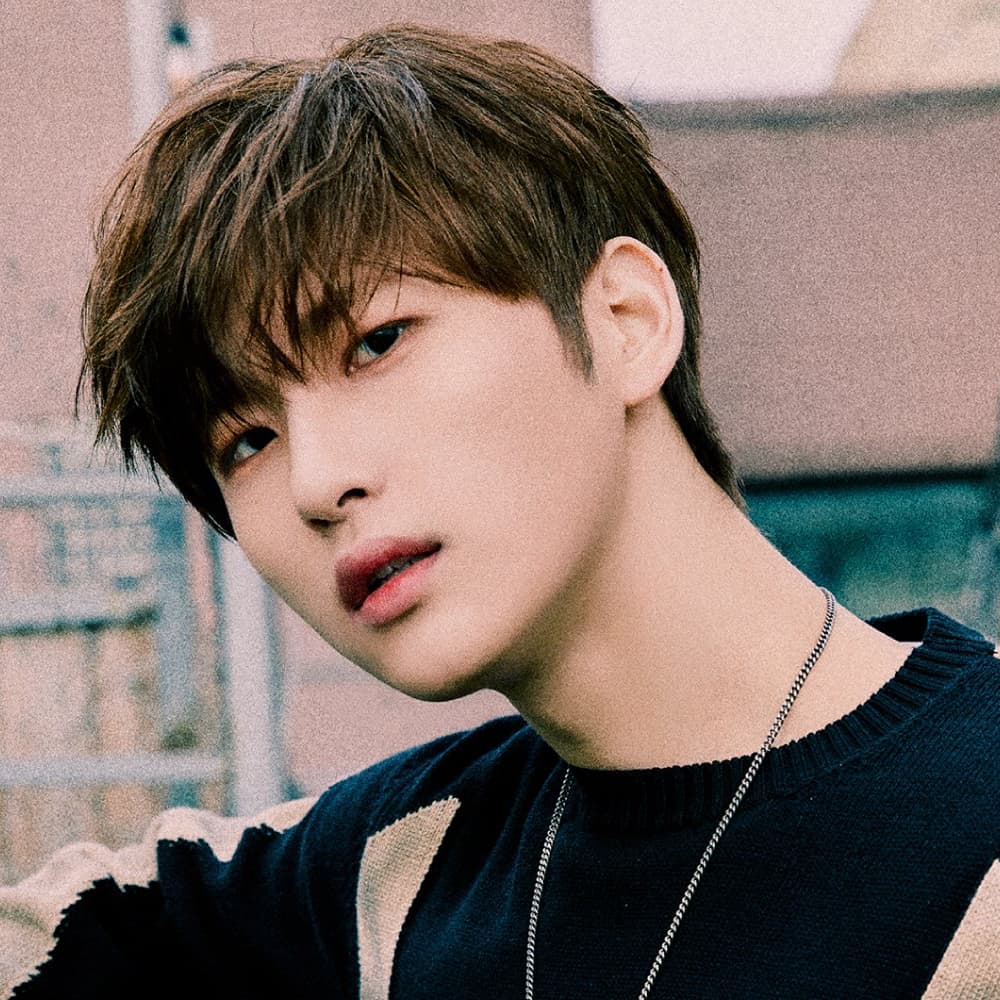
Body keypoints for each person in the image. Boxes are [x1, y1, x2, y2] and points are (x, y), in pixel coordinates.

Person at [2, 24, 998, 999]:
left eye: (375, 342)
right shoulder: (383, 878)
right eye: (246, 441)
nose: (315, 482)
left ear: (624, 321)